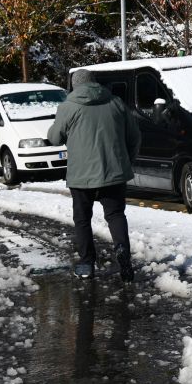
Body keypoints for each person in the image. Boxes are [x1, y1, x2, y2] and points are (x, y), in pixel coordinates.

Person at [48, 69, 140, 281]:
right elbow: (135, 136)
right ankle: (122, 252)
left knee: (82, 220)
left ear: (74, 85)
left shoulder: (68, 107)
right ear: (95, 83)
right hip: (114, 173)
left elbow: (54, 138)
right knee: (116, 215)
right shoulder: (116, 103)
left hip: (81, 176)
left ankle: (87, 263)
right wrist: (126, 161)